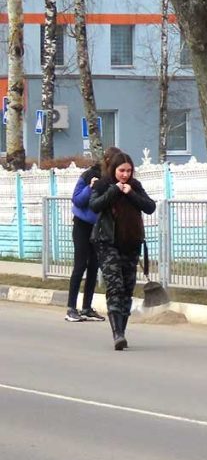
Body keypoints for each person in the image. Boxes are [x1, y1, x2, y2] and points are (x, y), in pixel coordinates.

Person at [89, 151, 156, 350]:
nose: (125, 174)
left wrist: (130, 193)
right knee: (115, 286)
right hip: (107, 243)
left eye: (129, 171)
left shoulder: (134, 186)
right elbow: (94, 205)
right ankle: (117, 333)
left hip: (131, 244)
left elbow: (149, 206)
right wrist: (114, 191)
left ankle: (122, 331)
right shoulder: (103, 184)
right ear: (114, 170)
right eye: (121, 171)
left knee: (127, 287)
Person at [65, 146, 121, 323]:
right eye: (114, 164)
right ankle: (71, 308)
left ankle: (87, 307)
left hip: (99, 228)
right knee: (80, 265)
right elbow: (77, 200)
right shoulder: (89, 175)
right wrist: (90, 188)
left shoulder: (114, 180)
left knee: (93, 267)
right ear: (106, 162)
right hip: (82, 225)